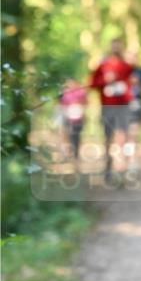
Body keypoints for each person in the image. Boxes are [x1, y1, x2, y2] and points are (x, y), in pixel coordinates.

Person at [89, 38, 135, 180]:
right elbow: (92, 84)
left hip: (123, 106)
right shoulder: (103, 65)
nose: (116, 48)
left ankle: (123, 168)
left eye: (118, 46)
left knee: (123, 136)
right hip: (107, 106)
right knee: (108, 137)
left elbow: (134, 82)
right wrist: (105, 81)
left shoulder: (127, 66)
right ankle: (108, 167)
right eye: (114, 45)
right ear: (110, 47)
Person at [57, 78, 88, 167]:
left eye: (72, 83)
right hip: (68, 117)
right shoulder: (64, 92)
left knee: (77, 136)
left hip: (79, 118)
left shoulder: (81, 92)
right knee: (69, 135)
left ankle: (76, 154)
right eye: (68, 84)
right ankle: (70, 152)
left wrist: (80, 105)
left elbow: (86, 102)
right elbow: (60, 104)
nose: (70, 85)